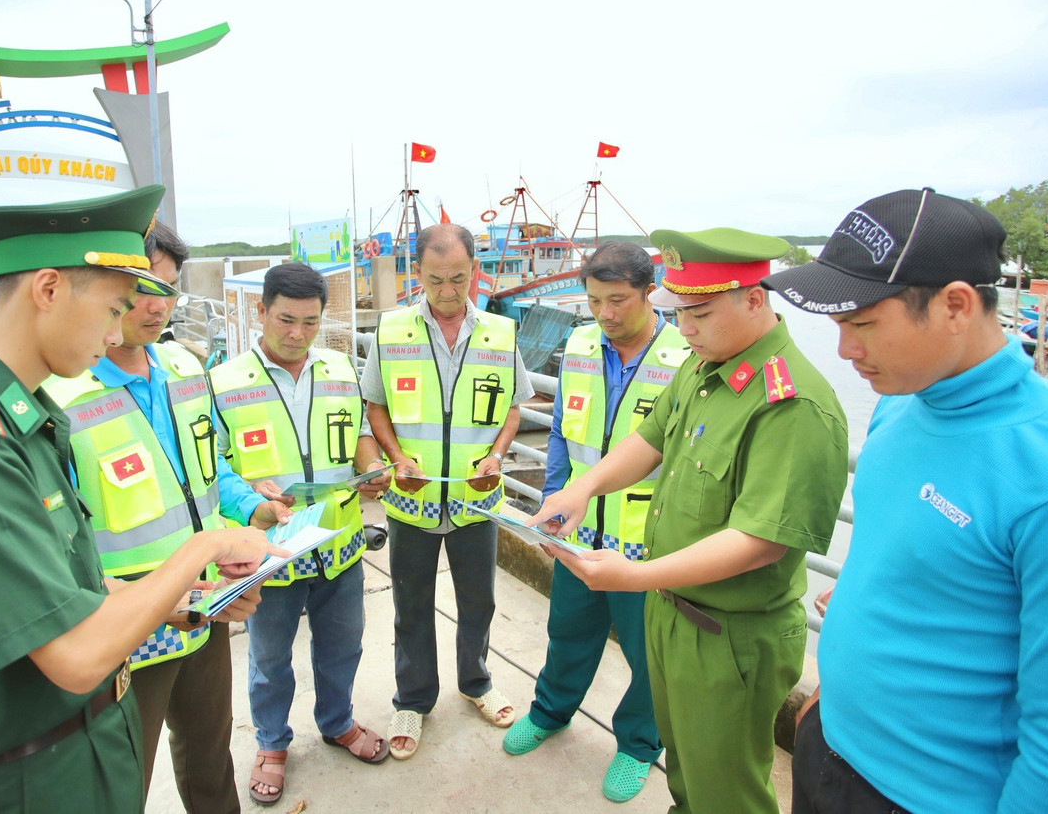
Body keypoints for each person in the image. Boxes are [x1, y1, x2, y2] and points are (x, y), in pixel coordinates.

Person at [0, 185, 285, 814]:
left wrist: (188, 595)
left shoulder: (16, 422)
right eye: (116, 306)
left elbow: (67, 585)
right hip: (31, 776)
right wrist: (209, 545)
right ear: (50, 290)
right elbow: (77, 655)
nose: (121, 328)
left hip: (75, 747)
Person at [763, 188, 1048, 814]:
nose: (844, 351)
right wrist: (832, 700)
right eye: (837, 326)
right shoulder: (903, 401)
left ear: (956, 306)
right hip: (831, 747)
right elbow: (906, 555)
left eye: (861, 324)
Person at [529, 227, 849, 814]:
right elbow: (649, 440)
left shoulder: (791, 402)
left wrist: (632, 576)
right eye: (680, 312)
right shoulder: (706, 367)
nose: (686, 328)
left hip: (730, 634)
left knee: (725, 791)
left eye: (699, 312)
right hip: (675, 610)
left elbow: (761, 542)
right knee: (688, 777)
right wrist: (581, 489)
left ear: (754, 299)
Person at [41, 220, 287, 813]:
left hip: (204, 604)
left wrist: (252, 504)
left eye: (169, 290)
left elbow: (210, 466)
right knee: (123, 769)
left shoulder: (182, 368)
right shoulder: (60, 397)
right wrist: (131, 599)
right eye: (142, 287)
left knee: (209, 749)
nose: (156, 307)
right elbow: (55, 542)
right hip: (123, 622)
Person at [503, 242, 688, 803]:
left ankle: (637, 744)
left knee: (648, 657)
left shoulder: (686, 357)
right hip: (578, 533)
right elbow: (562, 430)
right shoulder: (581, 343)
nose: (606, 314)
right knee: (568, 635)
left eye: (618, 300)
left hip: (646, 545)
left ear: (649, 291)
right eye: (594, 301)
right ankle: (551, 712)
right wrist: (554, 496)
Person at [210, 261, 394, 805]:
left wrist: (373, 469)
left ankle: (337, 722)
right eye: (285, 320)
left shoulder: (339, 367)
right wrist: (249, 499)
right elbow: (209, 466)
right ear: (260, 312)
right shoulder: (221, 383)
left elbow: (361, 430)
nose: (297, 334)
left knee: (343, 647)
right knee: (269, 661)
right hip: (269, 553)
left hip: (338, 546)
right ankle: (271, 743)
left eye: (310, 323)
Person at [360, 223, 535, 760]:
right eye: (435, 279)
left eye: (459, 278)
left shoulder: (499, 334)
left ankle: (477, 682)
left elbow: (514, 405)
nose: (447, 291)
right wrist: (395, 458)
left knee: (477, 600)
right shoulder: (391, 331)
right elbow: (376, 404)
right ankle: (412, 699)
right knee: (411, 605)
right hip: (412, 502)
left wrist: (498, 455)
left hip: (475, 499)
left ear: (475, 271)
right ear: (418, 274)